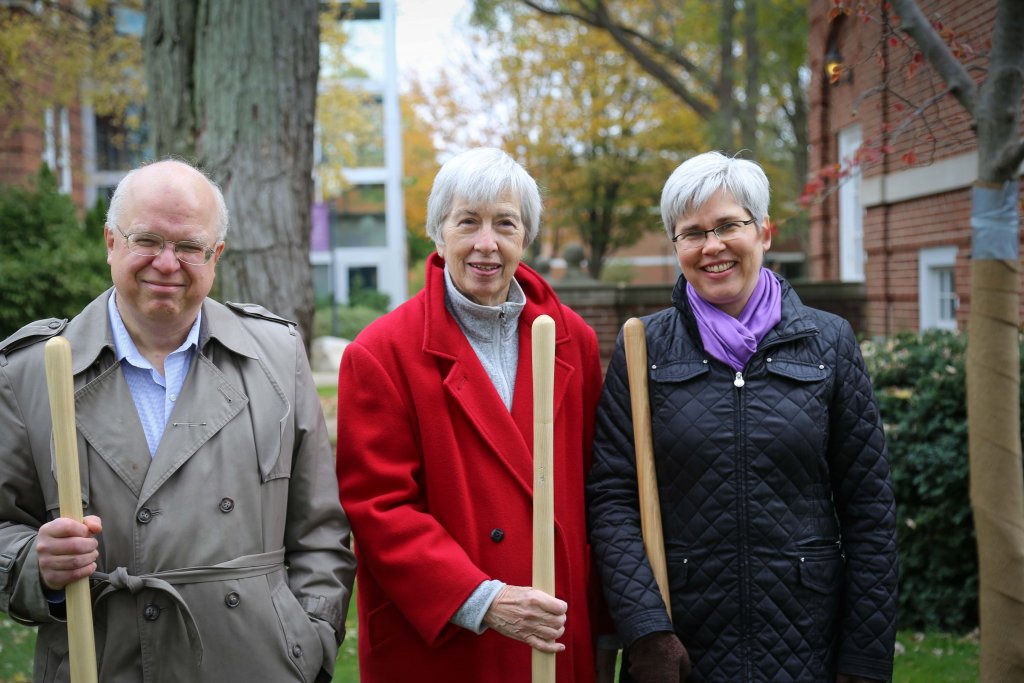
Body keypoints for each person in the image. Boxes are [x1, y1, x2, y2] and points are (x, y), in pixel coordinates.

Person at [0, 159, 355, 682]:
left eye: (189, 247)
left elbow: (320, 529)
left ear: (216, 256)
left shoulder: (276, 356)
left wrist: (310, 641)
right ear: (110, 242)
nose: (167, 263)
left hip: (256, 665)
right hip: (103, 662)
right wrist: (36, 566)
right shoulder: (31, 370)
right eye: (147, 240)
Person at [588, 151, 897, 683]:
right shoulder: (644, 348)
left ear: (764, 233)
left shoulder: (828, 342)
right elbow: (612, 499)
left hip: (806, 641)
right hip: (683, 641)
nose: (713, 246)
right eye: (692, 233)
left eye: (729, 224)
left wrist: (866, 658)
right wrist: (646, 630)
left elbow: (870, 509)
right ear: (676, 246)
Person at [336, 147, 611, 681]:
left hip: (554, 634)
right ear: (438, 233)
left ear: (524, 236)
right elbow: (378, 508)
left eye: (504, 224)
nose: (486, 243)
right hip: (449, 642)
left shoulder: (572, 339)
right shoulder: (381, 352)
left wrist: (604, 625)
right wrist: (483, 600)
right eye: (468, 222)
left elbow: (599, 490)